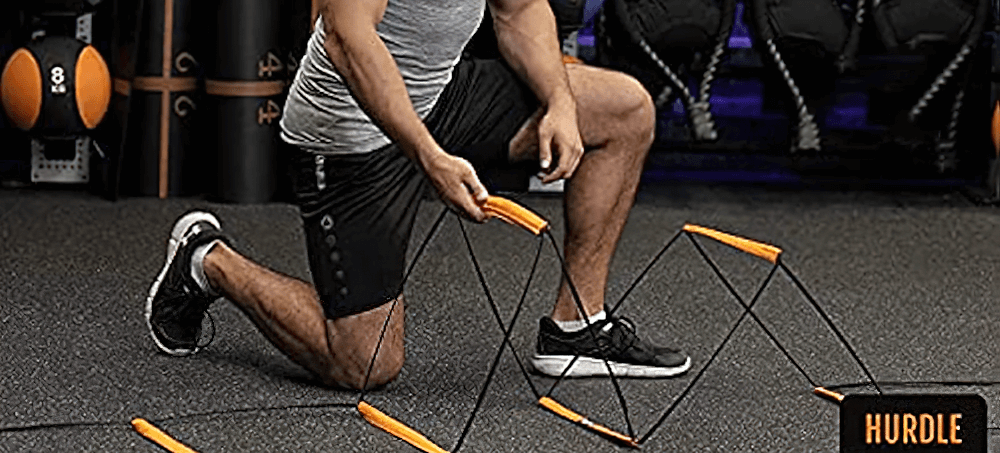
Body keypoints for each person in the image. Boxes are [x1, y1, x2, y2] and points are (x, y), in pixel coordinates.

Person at [145, 0, 691, 387]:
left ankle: (578, 327)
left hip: (439, 95)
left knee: (624, 109)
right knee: (364, 365)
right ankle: (208, 262)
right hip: (348, 132)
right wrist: (427, 155)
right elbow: (346, 36)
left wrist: (560, 103)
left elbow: (519, 11)